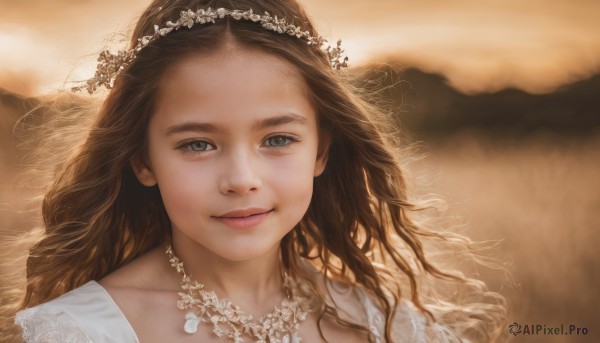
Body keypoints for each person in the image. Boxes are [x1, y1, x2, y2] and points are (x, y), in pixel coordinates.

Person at [6, 0, 507, 342]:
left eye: (277, 139)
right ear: (142, 160)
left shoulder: (383, 324)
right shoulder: (80, 331)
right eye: (198, 144)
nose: (241, 178)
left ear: (320, 151)